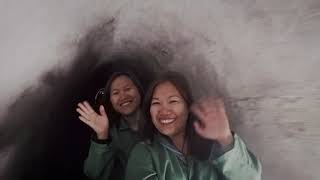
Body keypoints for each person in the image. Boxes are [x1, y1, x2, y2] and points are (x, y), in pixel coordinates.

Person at [125, 71, 262, 180]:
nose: (163, 110)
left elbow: (250, 177)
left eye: (173, 101)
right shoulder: (145, 153)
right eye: (155, 103)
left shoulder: (214, 145)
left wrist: (225, 138)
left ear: (188, 106)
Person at [76, 71, 144, 180]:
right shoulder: (114, 133)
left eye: (127, 89)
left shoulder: (158, 118)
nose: (123, 96)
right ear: (111, 101)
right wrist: (102, 136)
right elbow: (93, 173)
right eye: (116, 93)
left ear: (139, 91)